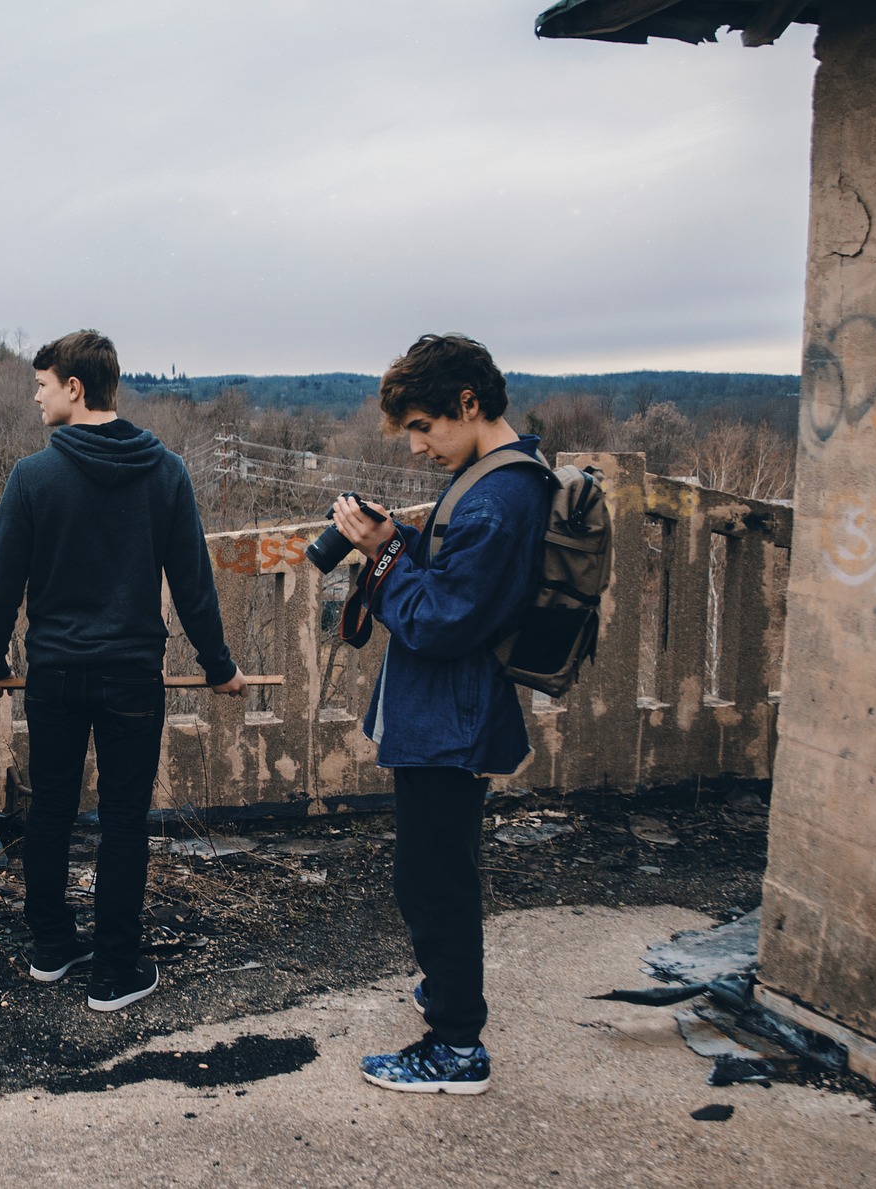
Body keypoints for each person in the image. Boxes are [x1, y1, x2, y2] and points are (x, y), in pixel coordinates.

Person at [0, 330, 246, 1013]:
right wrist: (220, 667)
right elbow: (194, 586)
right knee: (124, 820)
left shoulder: (33, 477)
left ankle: (52, 947)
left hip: (57, 676)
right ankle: (116, 969)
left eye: (42, 384)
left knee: (52, 813)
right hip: (131, 677)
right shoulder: (167, 471)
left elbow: (2, 584)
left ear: (75, 387)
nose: (35, 396)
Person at [326, 333, 553, 1095]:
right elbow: (458, 579)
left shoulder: (495, 498)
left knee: (435, 880)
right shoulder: (495, 479)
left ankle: (456, 1046)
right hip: (449, 715)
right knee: (434, 868)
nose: (418, 446)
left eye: (424, 427)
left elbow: (442, 620)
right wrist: (399, 539)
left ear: (468, 403)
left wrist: (385, 564)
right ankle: (448, 988)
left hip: (449, 722)